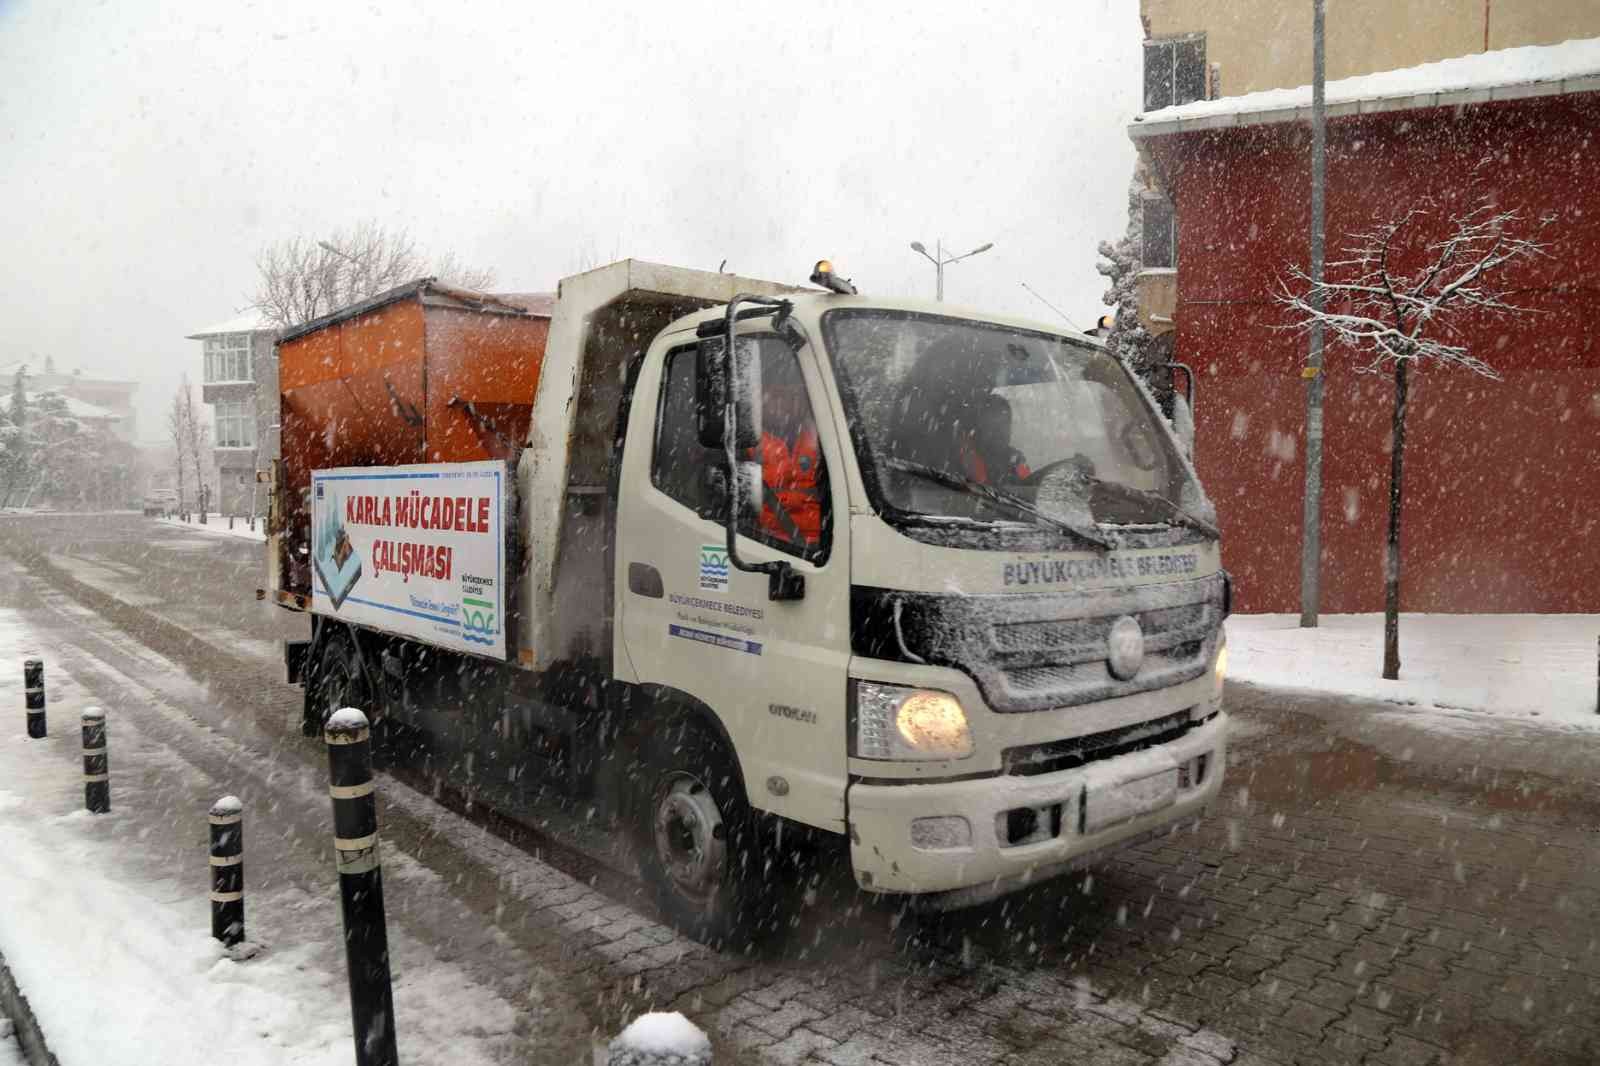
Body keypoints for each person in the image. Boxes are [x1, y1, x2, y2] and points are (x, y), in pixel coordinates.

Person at [753, 356, 825, 548]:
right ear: (761, 398)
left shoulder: (823, 439)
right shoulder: (746, 442)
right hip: (768, 542)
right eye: (775, 395)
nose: (782, 403)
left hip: (823, 546)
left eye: (791, 396)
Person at [957, 393, 1031, 486]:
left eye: (1005, 424)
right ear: (980, 426)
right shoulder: (963, 455)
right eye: (994, 424)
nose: (1001, 431)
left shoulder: (1016, 459)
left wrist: (1015, 484)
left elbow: (1028, 488)